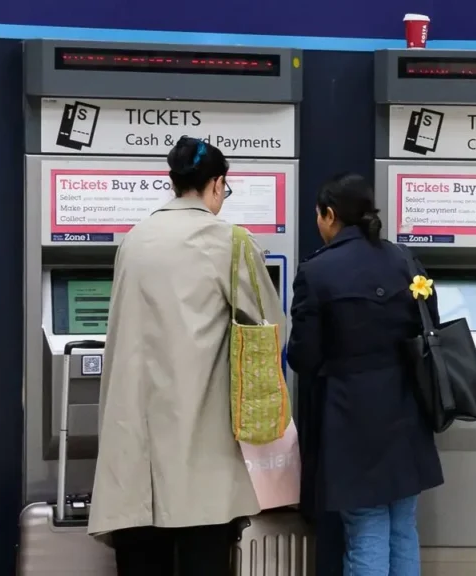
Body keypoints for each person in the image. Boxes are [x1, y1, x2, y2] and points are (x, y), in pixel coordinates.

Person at [88, 137, 285, 576]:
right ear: (217, 183)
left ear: (173, 182)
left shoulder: (134, 239)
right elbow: (270, 329)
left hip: (134, 453)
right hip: (201, 452)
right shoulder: (230, 241)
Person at [288, 173, 443, 576]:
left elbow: (304, 357)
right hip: (407, 410)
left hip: (351, 417)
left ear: (329, 214)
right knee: (402, 525)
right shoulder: (404, 260)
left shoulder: (317, 272)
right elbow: (431, 326)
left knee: (366, 526)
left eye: (319, 215)